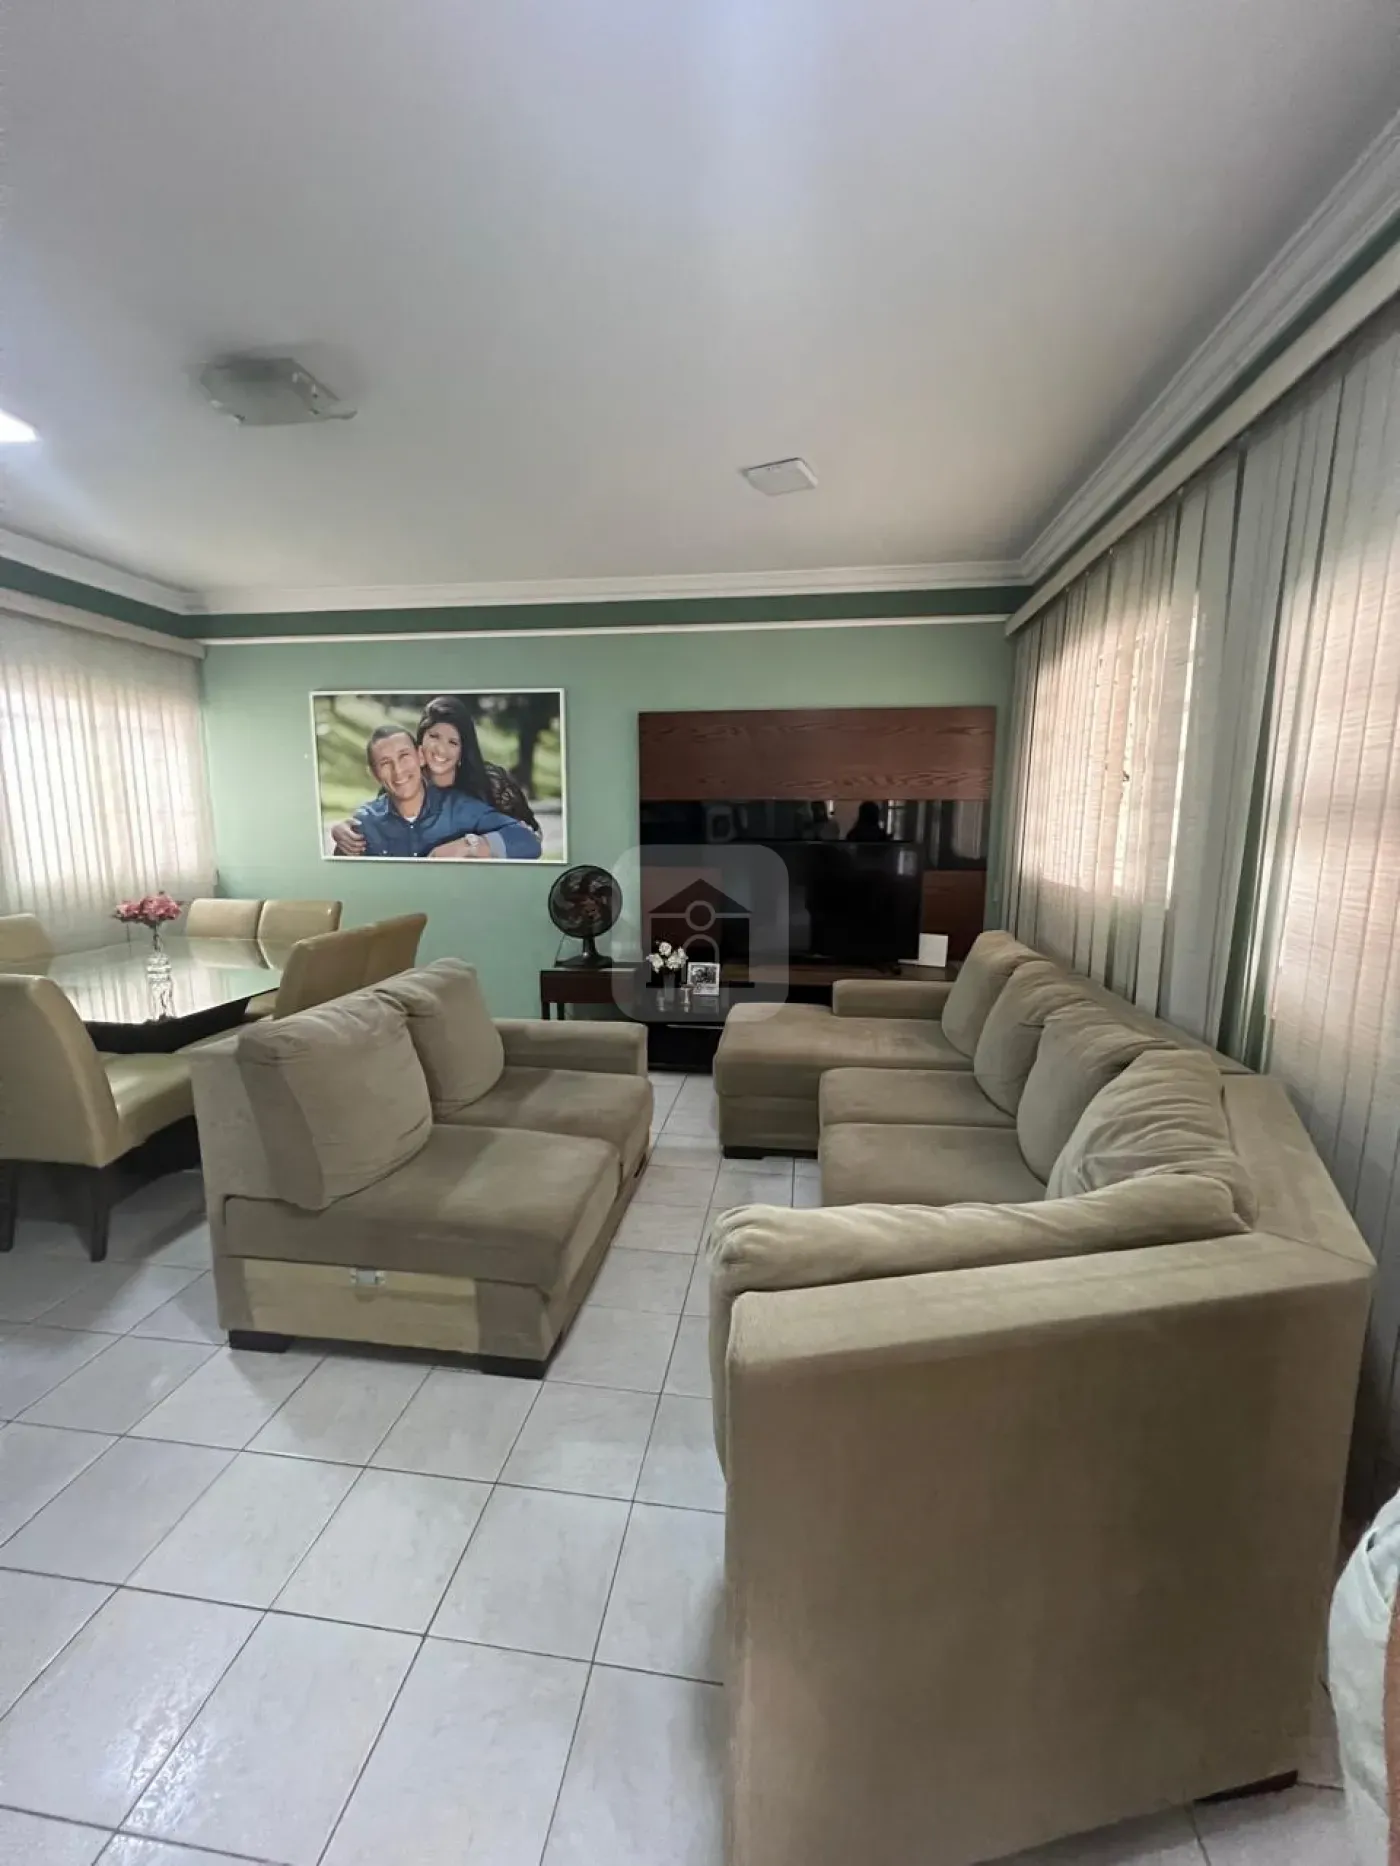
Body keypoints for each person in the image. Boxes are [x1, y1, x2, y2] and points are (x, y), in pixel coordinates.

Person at [330, 696, 541, 856]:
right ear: (420, 746)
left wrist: (468, 847)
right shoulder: (399, 783)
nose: (441, 749)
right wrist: (344, 830)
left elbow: (531, 838)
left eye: (453, 742)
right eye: (434, 736)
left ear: (463, 750)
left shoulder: (486, 789)